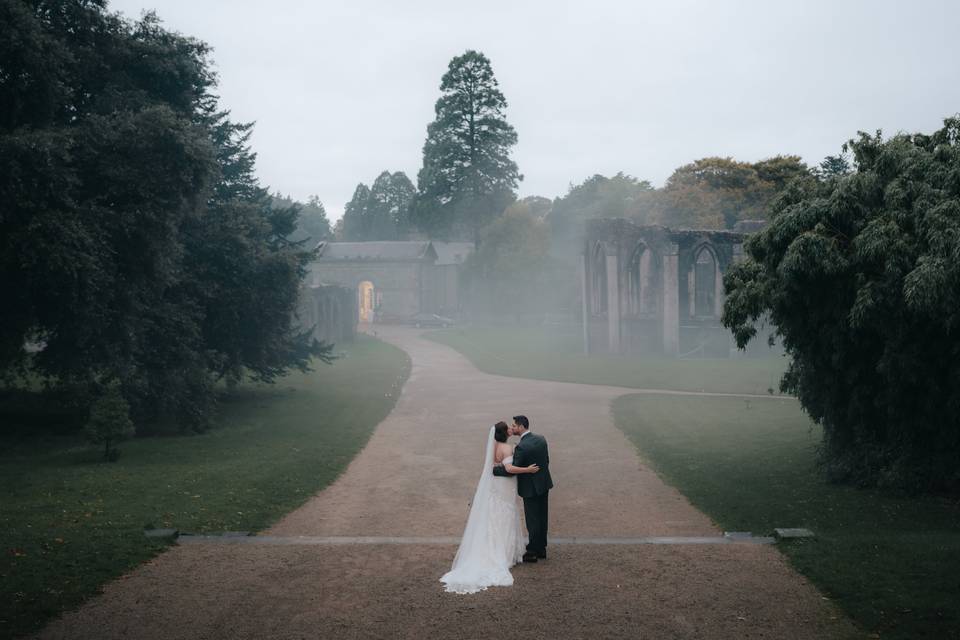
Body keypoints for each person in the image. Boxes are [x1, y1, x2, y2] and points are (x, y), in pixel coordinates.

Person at [440, 421, 540, 594]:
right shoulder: (506, 448)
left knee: (494, 514)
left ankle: (494, 546)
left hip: (494, 484)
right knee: (505, 514)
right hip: (504, 486)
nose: (511, 429)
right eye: (508, 427)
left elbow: (494, 466)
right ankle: (503, 552)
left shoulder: (493, 446)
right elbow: (509, 468)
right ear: (504, 433)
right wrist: (527, 470)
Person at [492, 415, 553, 562]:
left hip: (530, 488)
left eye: (514, 426)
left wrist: (494, 470)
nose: (512, 428)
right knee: (542, 517)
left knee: (532, 520)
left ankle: (532, 551)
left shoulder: (522, 447)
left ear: (521, 427)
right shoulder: (541, 439)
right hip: (544, 484)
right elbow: (546, 461)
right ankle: (541, 548)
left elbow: (509, 470)